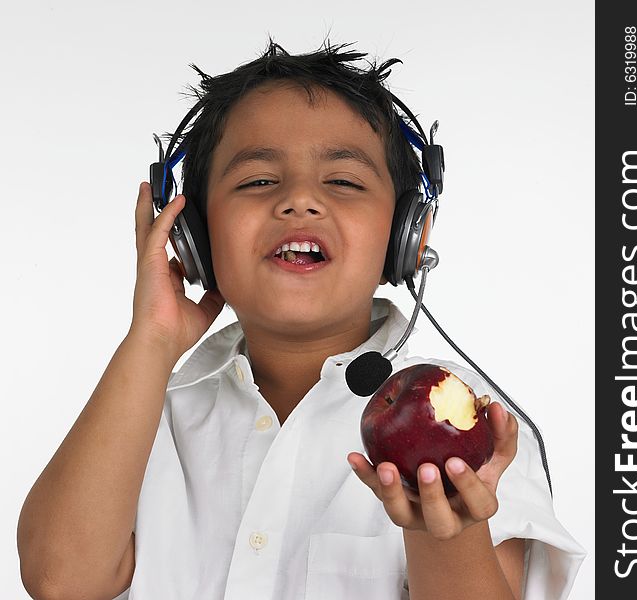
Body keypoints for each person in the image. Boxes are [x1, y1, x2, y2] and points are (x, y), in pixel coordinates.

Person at [17, 39, 585, 599]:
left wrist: (445, 533)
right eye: (258, 181)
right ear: (195, 240)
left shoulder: (474, 421)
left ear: (407, 237)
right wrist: (153, 338)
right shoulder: (145, 417)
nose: (299, 201)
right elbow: (62, 581)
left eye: (343, 182)